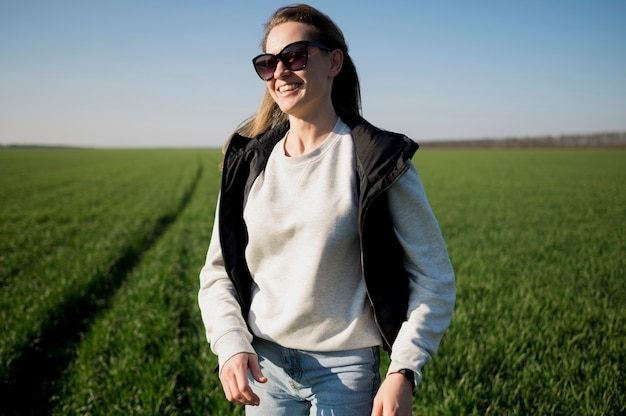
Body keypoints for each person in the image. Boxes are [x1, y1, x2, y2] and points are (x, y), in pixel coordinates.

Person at [198, 4, 455, 415]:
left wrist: (403, 370)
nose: (280, 71)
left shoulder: (377, 162)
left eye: (294, 56)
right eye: (268, 63)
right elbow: (217, 272)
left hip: (347, 372)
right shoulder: (247, 164)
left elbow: (434, 279)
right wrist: (230, 343)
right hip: (265, 371)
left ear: (334, 61)